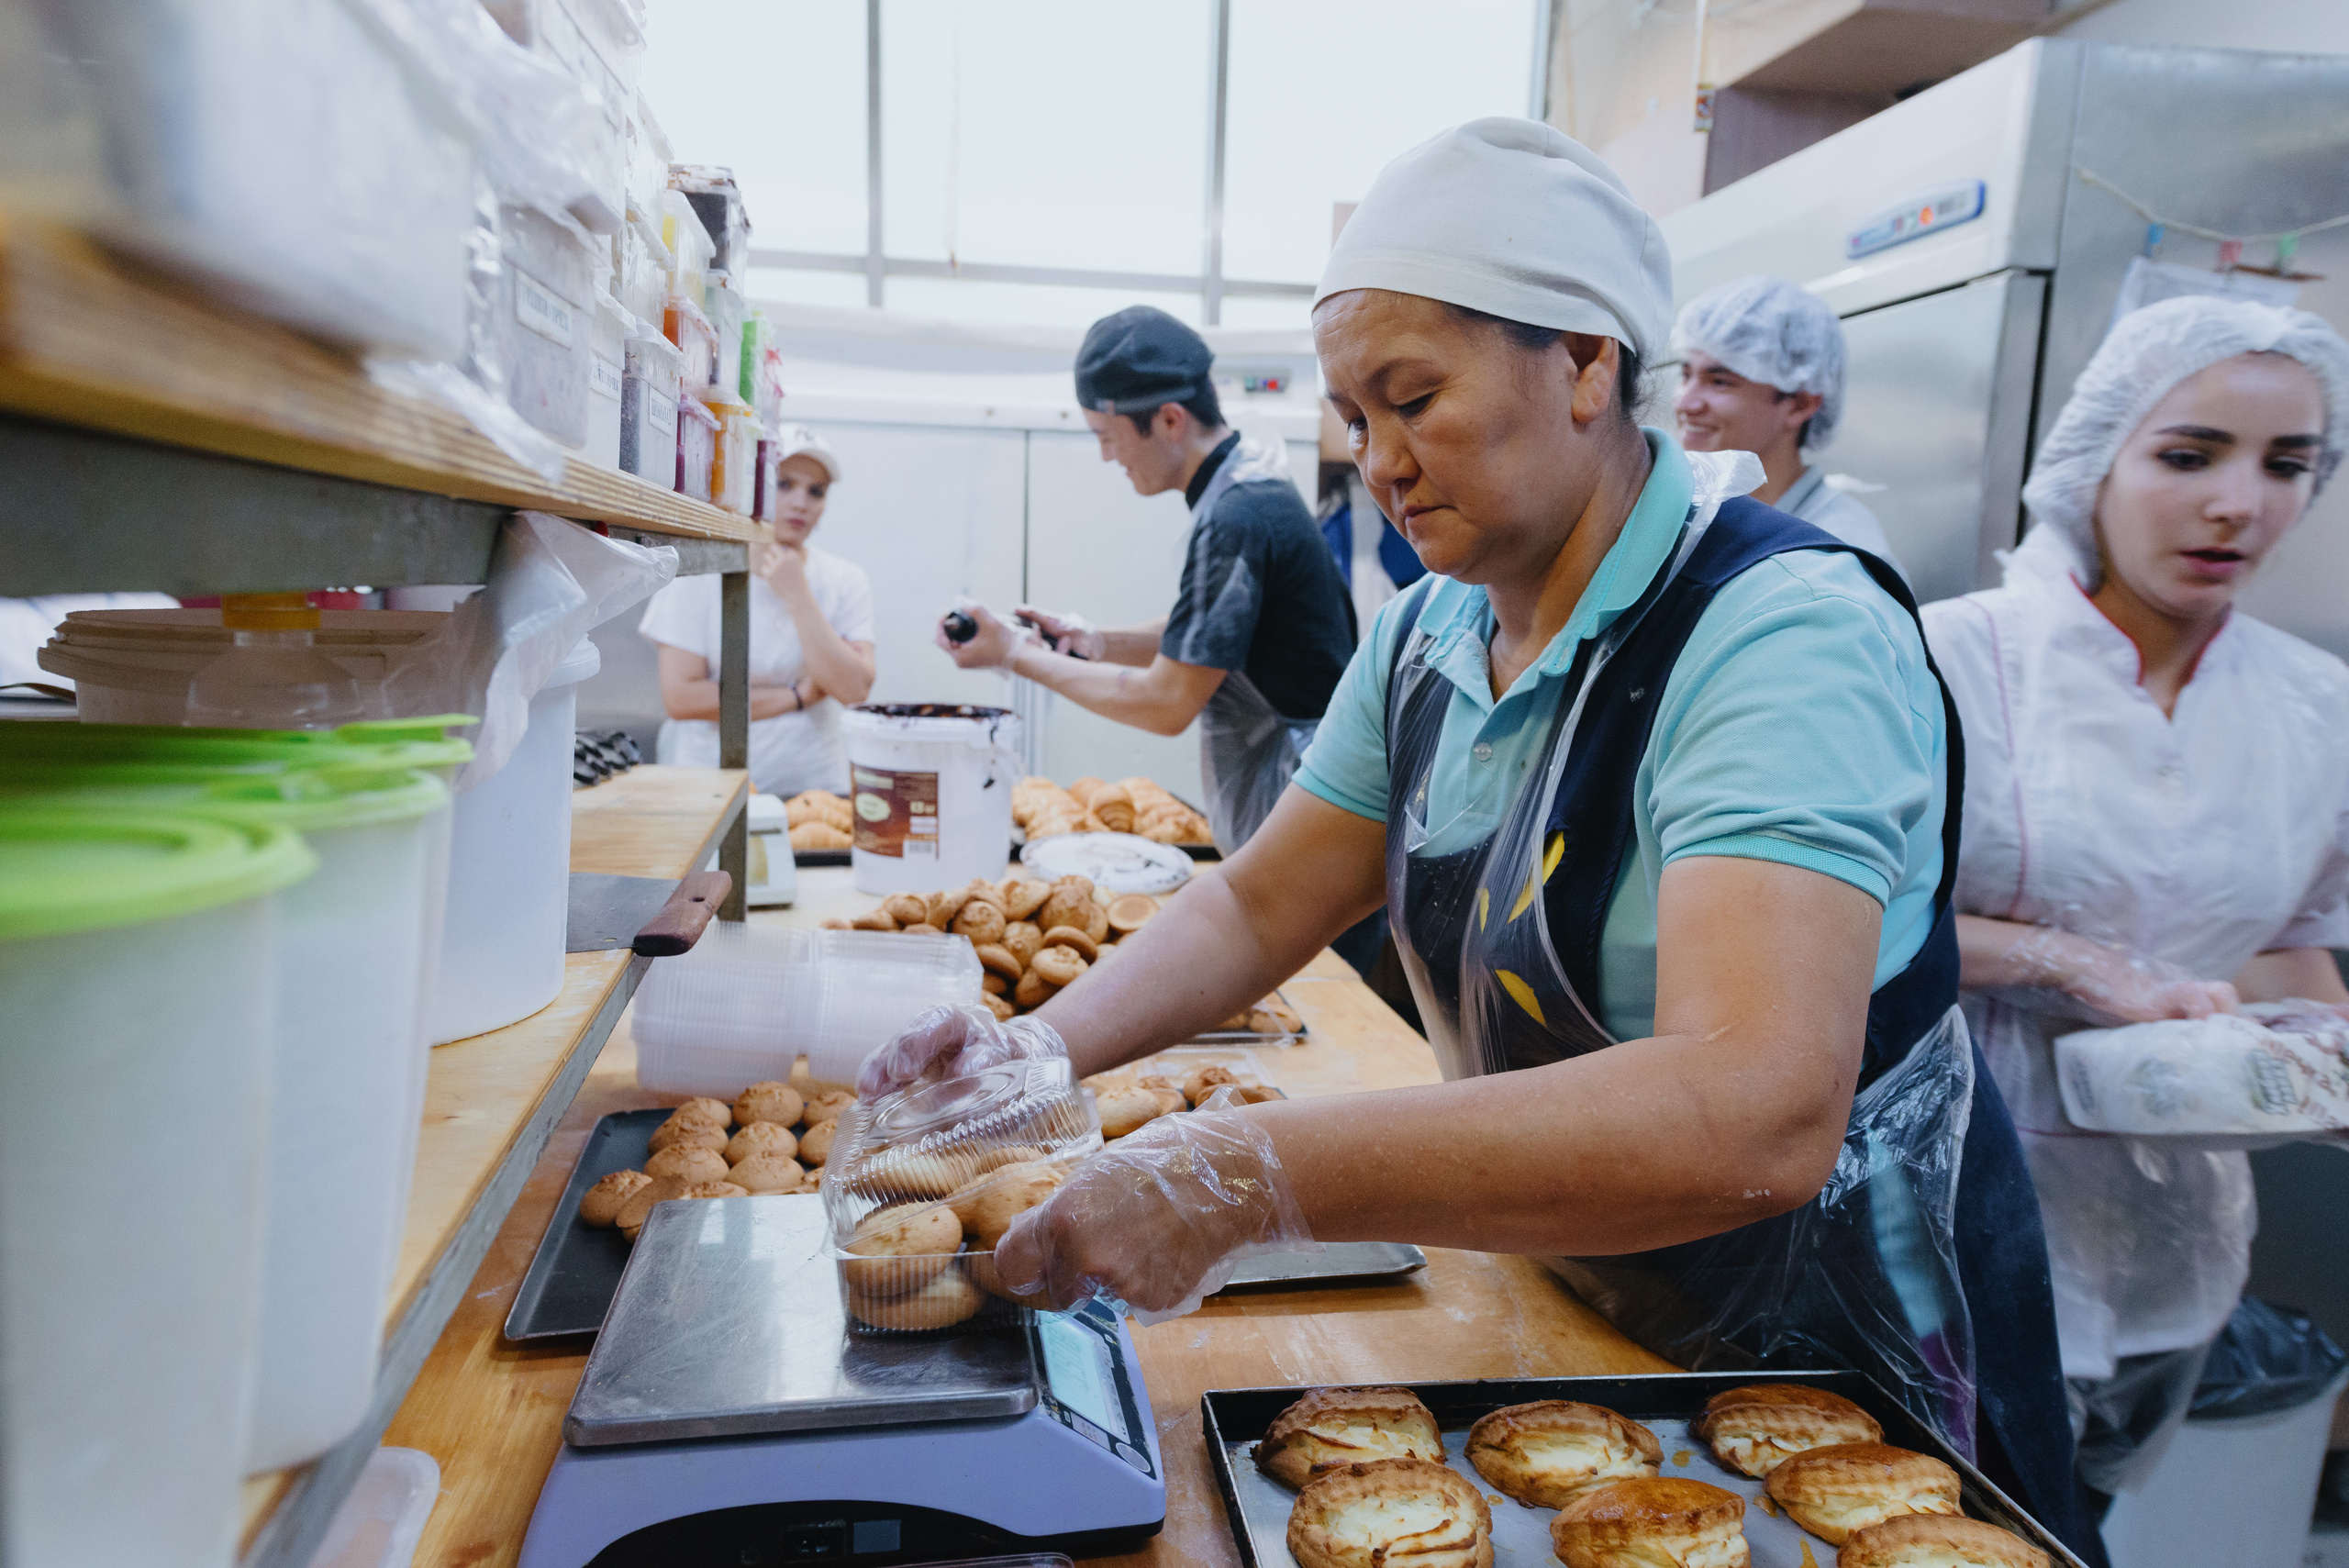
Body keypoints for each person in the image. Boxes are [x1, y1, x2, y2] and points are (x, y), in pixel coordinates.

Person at [868, 119, 2098, 1562]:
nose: (1382, 462)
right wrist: (1038, 1056)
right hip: (1603, 1309)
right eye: (1355, 416)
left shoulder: (1780, 635)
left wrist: (1252, 1171)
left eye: (1416, 399)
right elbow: (1258, 906)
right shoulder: (1431, 633)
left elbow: (1756, 1106)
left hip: (1854, 1368)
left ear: (1586, 361)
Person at [1920, 295, 2349, 1515]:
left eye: (2288, 465)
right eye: (2188, 455)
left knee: (2077, 1516)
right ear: (2095, 459)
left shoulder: (2317, 707)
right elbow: (1830, 932)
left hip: (2178, 1257)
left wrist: (2321, 1058)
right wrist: (2064, 961)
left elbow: (2287, 945)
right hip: (1946, 1235)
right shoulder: (1950, 660)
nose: (2240, 504)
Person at [934, 306, 1356, 856]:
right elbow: (1210, 635)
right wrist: (1096, 642)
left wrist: (1014, 654)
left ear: (1170, 421)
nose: (1106, 456)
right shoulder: (1250, 491)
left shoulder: (1238, 518)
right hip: (1304, 821)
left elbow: (1165, 702)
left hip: (1307, 835)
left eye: (1107, 436)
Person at [638, 428, 874, 796]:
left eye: (816, 491)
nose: (801, 502)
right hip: (707, 787)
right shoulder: (702, 570)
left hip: (813, 791)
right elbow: (681, 698)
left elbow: (854, 689)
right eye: (784, 484)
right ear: (755, 484)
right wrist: (798, 696)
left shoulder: (844, 579)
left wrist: (797, 595)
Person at [1672, 275, 1902, 572]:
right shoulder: (1696, 518)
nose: (1685, 403)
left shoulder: (1838, 558)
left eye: (1720, 382)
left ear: (1799, 404)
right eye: (1686, 375)